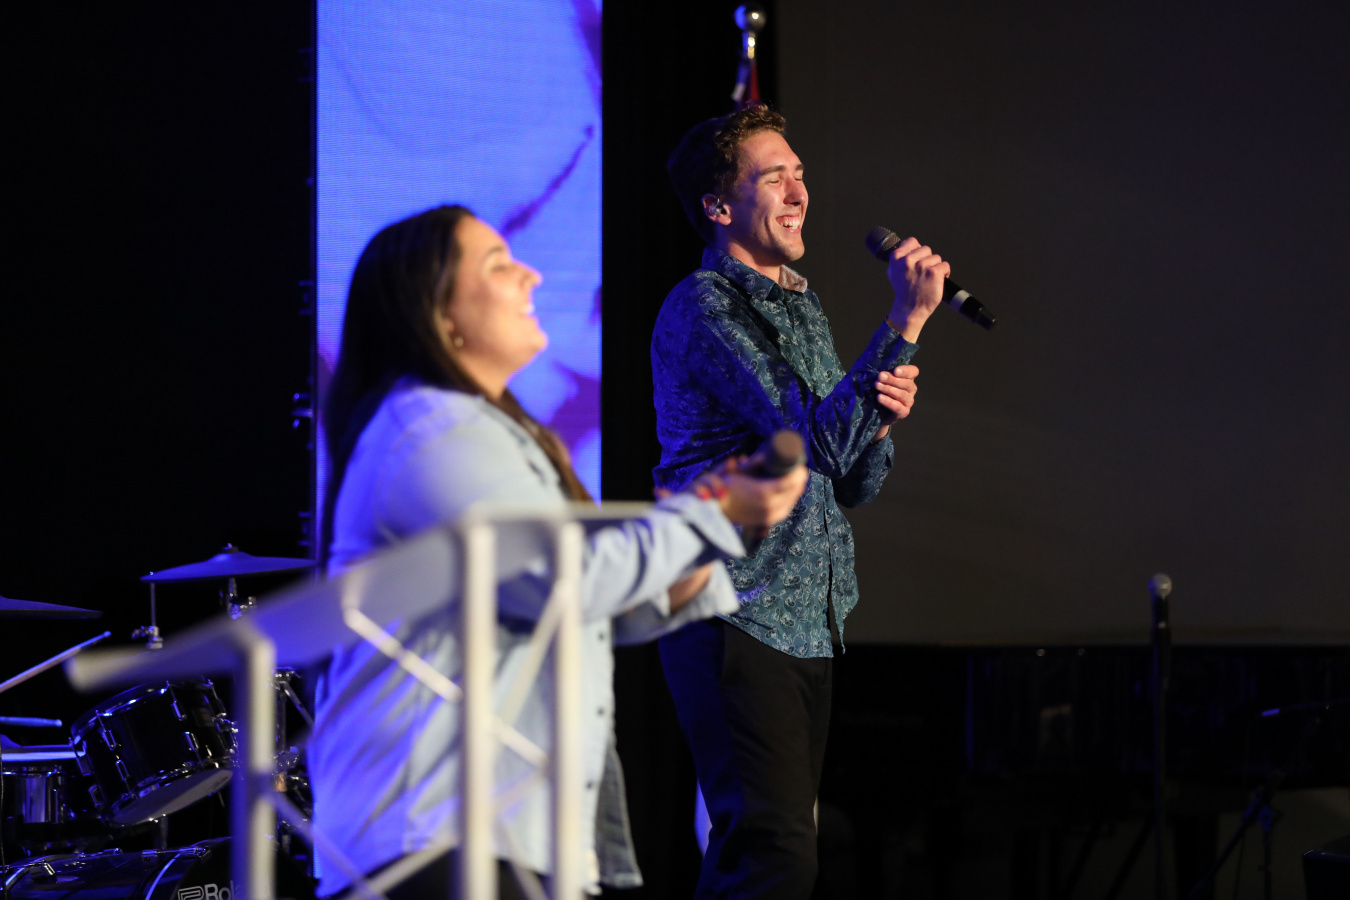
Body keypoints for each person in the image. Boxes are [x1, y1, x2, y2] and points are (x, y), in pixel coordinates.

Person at [307, 204, 807, 899]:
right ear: (439, 314)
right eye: (499, 265)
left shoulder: (486, 430)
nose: (532, 276)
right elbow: (559, 581)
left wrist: (696, 551)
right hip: (432, 836)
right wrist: (710, 517)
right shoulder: (434, 430)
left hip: (492, 832)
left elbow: (576, 606)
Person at [651, 106, 952, 898]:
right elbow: (812, 440)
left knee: (770, 858)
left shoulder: (801, 305)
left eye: (800, 175)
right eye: (774, 177)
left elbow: (849, 478)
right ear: (719, 206)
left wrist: (881, 421)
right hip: (733, 609)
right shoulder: (707, 305)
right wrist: (905, 319)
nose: (798, 193)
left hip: (807, 619)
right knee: (773, 859)